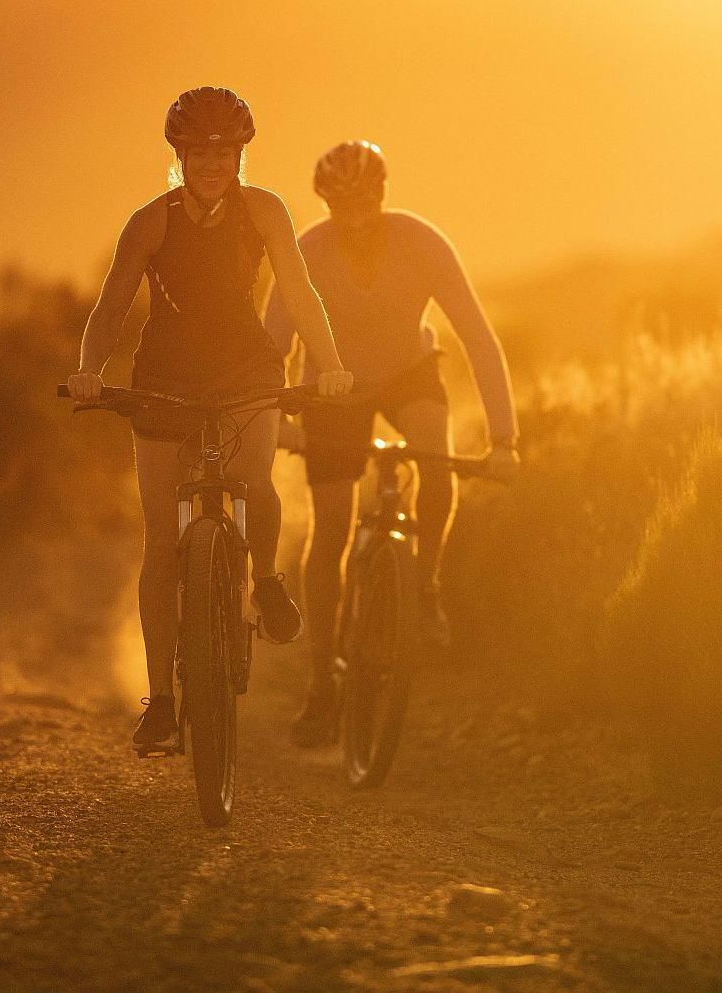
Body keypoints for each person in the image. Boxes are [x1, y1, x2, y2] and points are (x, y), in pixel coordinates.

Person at [66, 87, 353, 752]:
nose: (212, 164)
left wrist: (330, 363)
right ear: (180, 154)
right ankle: (162, 701)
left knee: (256, 481)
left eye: (223, 152)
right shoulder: (151, 222)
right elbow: (111, 310)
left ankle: (268, 579)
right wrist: (89, 368)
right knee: (161, 539)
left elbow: (300, 291)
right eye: (199, 152)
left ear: (240, 154)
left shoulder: (265, 212)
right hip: (163, 378)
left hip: (245, 370)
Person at [263, 139, 519, 747]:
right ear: (325, 203)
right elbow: (270, 350)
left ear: (383, 193)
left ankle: (423, 583)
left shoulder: (422, 243)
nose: (356, 216)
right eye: (342, 205)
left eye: (367, 201)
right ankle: (322, 677)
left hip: (407, 374)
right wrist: (277, 417)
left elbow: (479, 339)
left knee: (436, 457)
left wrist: (505, 438)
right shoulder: (307, 254)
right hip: (329, 390)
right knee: (332, 525)